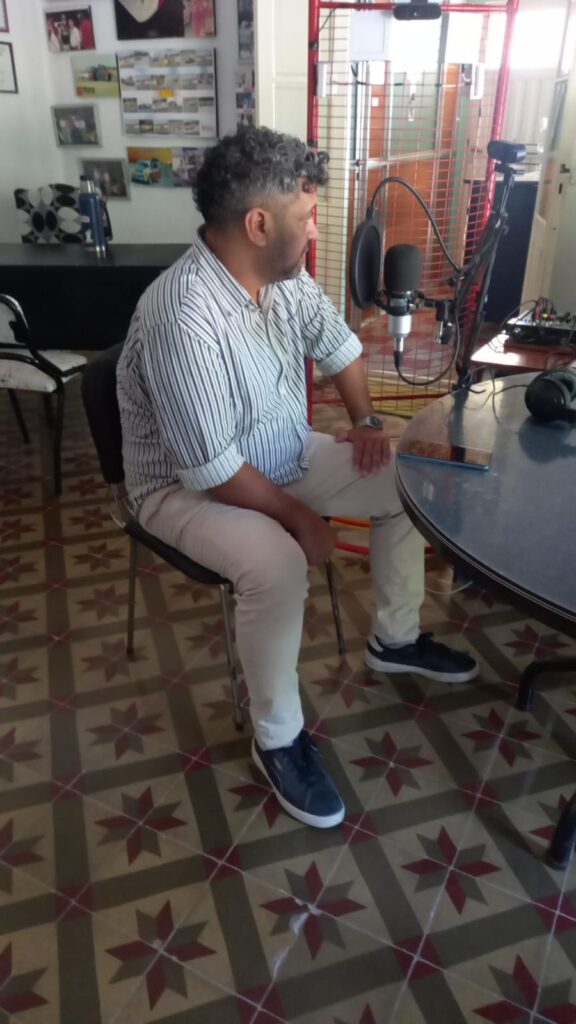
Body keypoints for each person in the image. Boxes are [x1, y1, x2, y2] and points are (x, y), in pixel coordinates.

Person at [116, 126, 478, 830]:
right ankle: (277, 739)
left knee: (409, 480)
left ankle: (395, 639)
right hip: (182, 490)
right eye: (307, 215)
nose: (315, 229)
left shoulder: (283, 280)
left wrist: (366, 422)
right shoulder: (181, 315)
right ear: (259, 224)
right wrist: (299, 517)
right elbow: (214, 468)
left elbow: (338, 346)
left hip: (279, 456)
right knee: (279, 563)